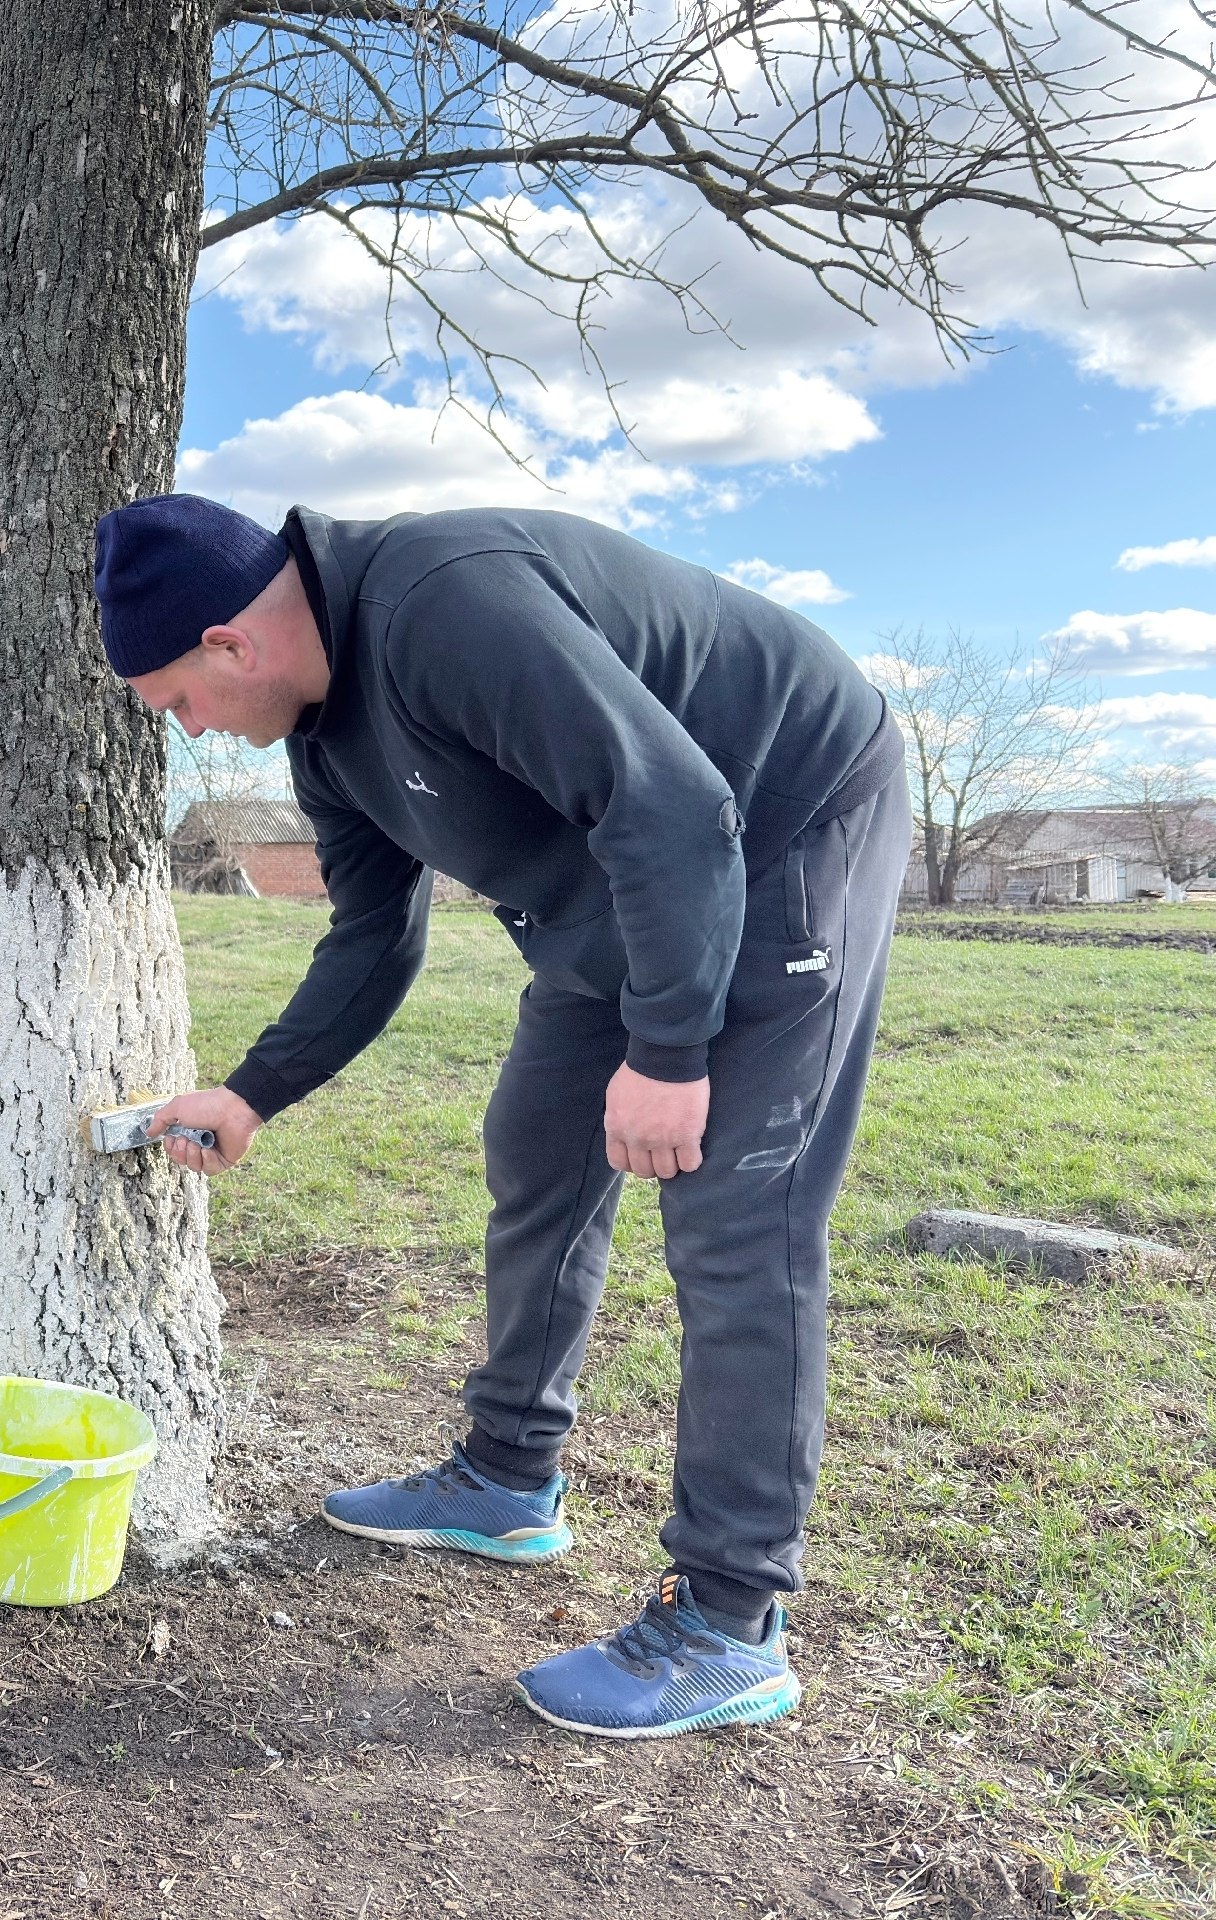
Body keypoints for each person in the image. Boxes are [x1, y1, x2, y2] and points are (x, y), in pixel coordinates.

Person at [100, 493, 906, 1741]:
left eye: (176, 702)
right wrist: (253, 1091)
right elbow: (373, 934)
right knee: (537, 1145)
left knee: (737, 1219)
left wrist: (669, 1050)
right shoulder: (324, 740)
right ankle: (506, 1477)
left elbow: (677, 805)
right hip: (627, 871)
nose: (191, 729)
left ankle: (729, 1625)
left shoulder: (445, 601)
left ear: (228, 643)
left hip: (784, 816)